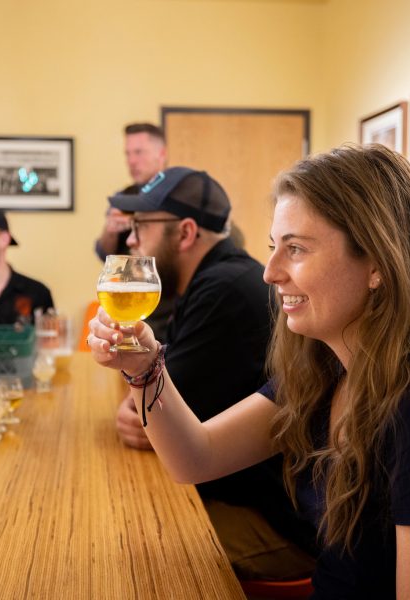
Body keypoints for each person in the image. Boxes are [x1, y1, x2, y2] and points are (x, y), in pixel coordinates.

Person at [88, 144, 410, 598]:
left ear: (377, 265)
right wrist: (146, 367)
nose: (269, 273)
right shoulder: (324, 373)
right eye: (273, 248)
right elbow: (196, 458)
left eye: (296, 249)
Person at [107, 166, 318, 580]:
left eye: (139, 227)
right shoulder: (204, 283)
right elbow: (154, 406)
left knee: (132, 563)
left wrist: (144, 388)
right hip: (228, 487)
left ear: (185, 233)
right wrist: (139, 371)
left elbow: (149, 415)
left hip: (273, 520)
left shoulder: (225, 290)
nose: (130, 241)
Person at [94, 123, 168, 262]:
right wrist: (110, 230)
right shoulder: (122, 198)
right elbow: (104, 255)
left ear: (161, 154)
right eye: (128, 154)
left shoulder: (180, 195)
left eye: (139, 152)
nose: (131, 161)